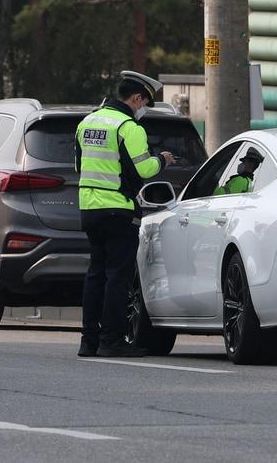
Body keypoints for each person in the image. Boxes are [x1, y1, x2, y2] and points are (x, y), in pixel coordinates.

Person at [74, 70, 175, 358]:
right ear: (136, 97)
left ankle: (88, 341)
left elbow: (79, 166)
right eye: (144, 103)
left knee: (95, 274)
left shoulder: (87, 122)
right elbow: (145, 170)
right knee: (117, 277)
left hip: (89, 207)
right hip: (118, 208)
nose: (143, 108)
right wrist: (162, 161)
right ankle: (112, 340)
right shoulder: (128, 127)